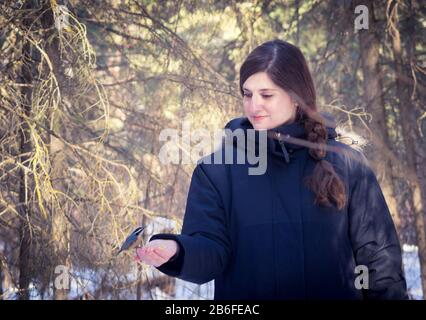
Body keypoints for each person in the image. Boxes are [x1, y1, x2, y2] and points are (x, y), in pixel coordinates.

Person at [135, 39, 408, 300]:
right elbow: (211, 253)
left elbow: (379, 260)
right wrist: (177, 250)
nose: (254, 106)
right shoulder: (217, 171)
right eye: (247, 94)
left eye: (266, 95)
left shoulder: (348, 164)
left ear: (296, 97)